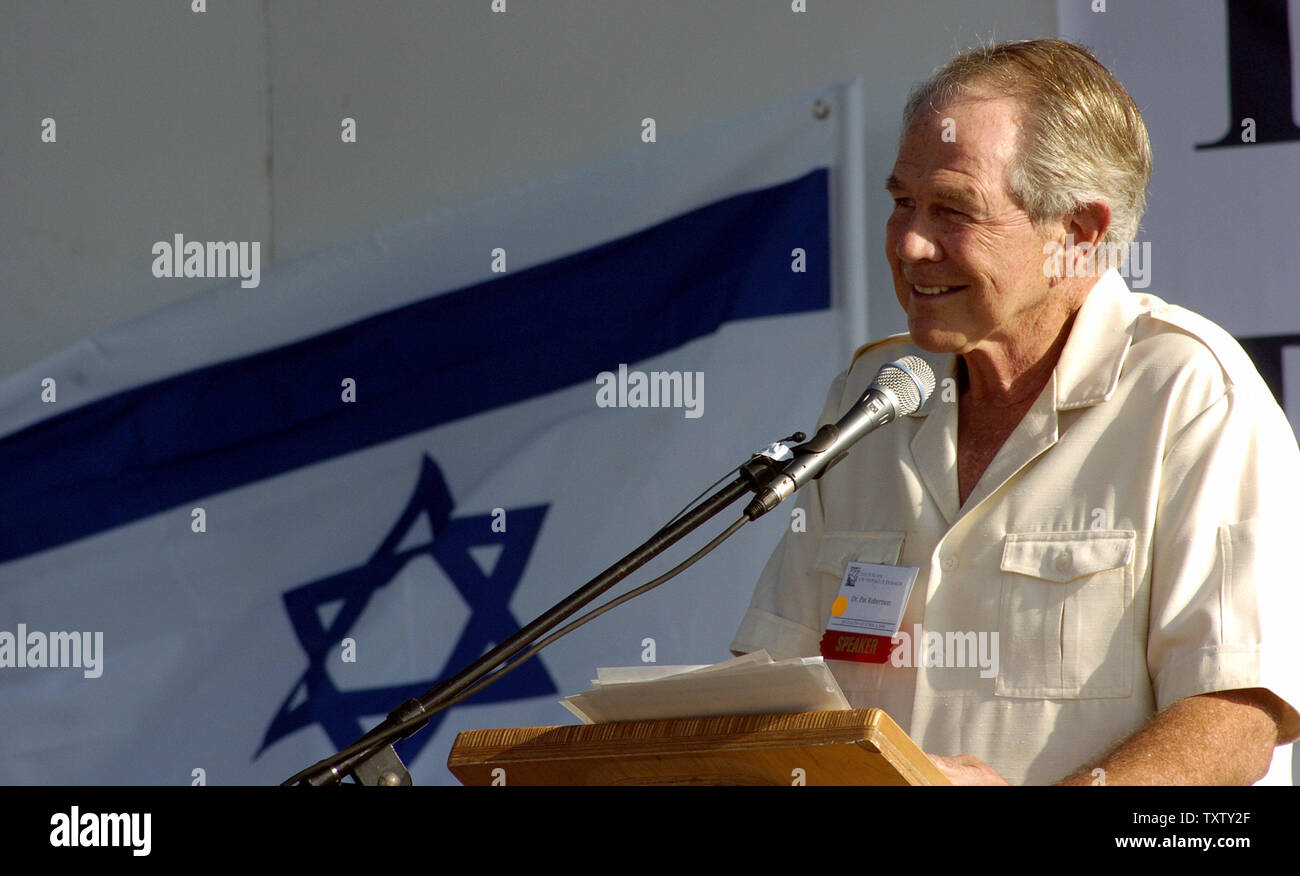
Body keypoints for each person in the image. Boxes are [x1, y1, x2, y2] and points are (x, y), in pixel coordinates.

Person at [730, 38, 1300, 785]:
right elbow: (777, 677)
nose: (907, 242)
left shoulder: (1189, 392)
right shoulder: (875, 390)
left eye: (953, 210)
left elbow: (1235, 714)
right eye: (902, 201)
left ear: (1078, 234)